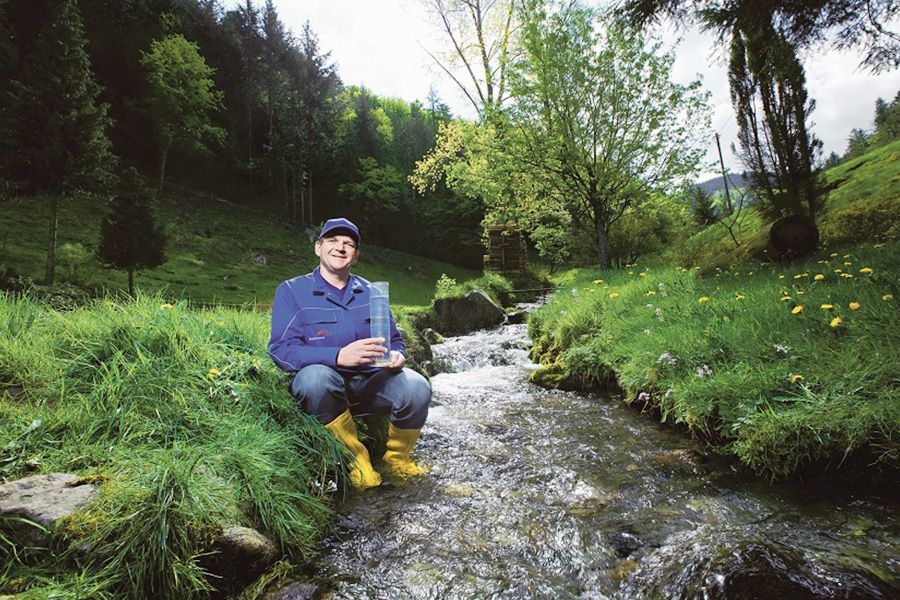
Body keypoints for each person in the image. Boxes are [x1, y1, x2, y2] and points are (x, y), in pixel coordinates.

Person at [268, 217, 431, 489]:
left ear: (355, 255)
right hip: (323, 392)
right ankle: (357, 460)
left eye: (348, 244)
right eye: (332, 241)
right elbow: (281, 350)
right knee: (315, 379)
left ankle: (397, 461)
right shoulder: (291, 291)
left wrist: (398, 356)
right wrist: (338, 356)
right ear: (318, 248)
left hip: (371, 384)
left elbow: (393, 341)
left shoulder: (373, 292)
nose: (340, 248)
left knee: (417, 386)